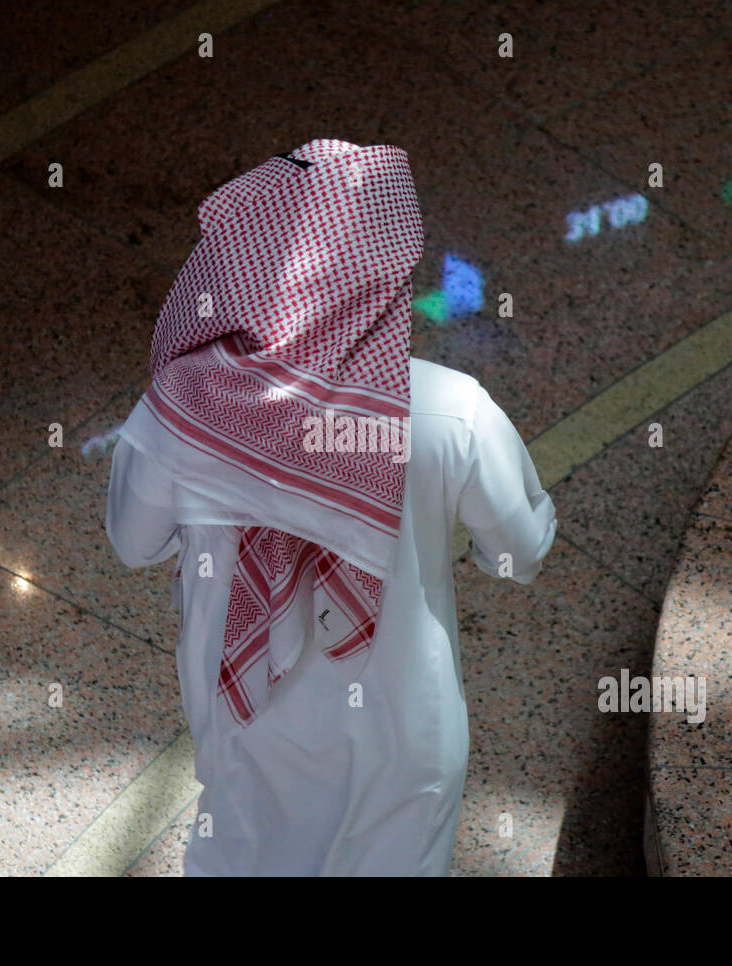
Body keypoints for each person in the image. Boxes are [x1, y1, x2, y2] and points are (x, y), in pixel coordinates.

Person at [105, 139, 556, 876]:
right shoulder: (452, 410)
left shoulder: (183, 411)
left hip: (246, 731)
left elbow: (133, 543)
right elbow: (521, 551)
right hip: (405, 739)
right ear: (386, 269)